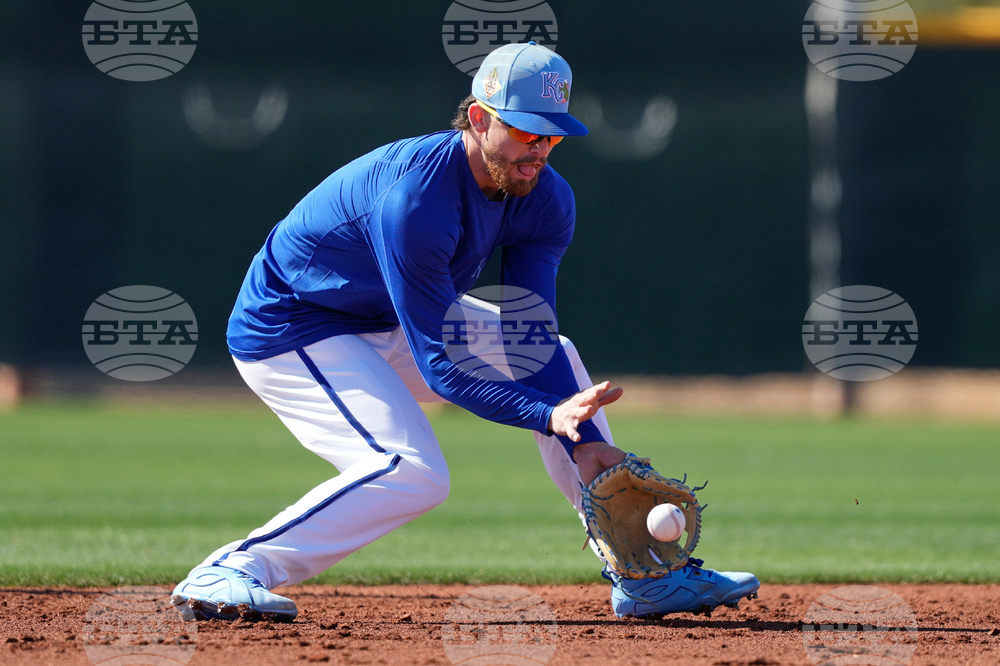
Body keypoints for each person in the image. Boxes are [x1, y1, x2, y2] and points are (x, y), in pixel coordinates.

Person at [171, 42, 759, 622]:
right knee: (412, 472)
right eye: (528, 132)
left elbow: (528, 335)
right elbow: (442, 368)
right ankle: (233, 569)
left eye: (553, 135)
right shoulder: (417, 201)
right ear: (478, 118)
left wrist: (584, 443)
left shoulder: (545, 198)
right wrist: (547, 416)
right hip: (294, 326)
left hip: (385, 318)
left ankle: (645, 577)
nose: (542, 150)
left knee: (562, 356)